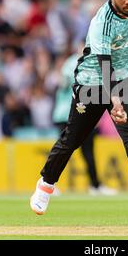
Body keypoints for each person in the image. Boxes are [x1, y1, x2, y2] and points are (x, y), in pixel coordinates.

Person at [30, 0, 128, 220]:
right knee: (72, 139)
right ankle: (46, 184)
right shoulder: (101, 21)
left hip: (124, 78)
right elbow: (104, 63)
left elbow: (127, 50)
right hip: (93, 81)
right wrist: (114, 98)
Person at [52, 50, 117, 196]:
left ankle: (94, 184)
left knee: (75, 150)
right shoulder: (78, 61)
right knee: (72, 149)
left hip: (76, 111)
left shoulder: (73, 62)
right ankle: (51, 182)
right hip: (70, 112)